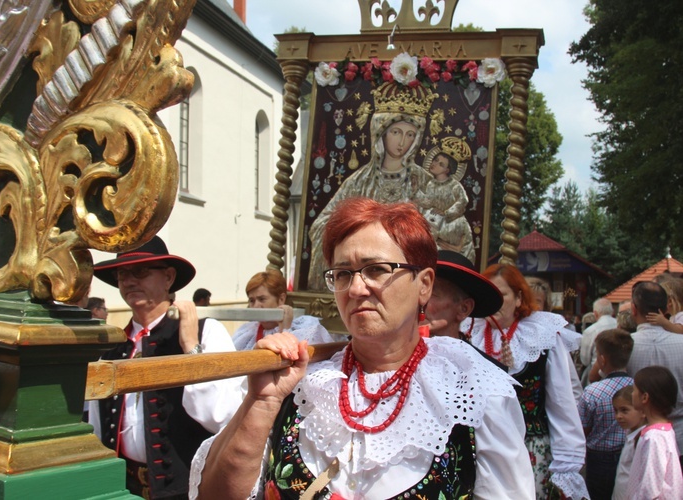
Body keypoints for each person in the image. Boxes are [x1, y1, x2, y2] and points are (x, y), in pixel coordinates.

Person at [191, 198, 535, 499]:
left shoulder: (474, 395)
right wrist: (263, 402)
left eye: (376, 269)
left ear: (424, 285)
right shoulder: (304, 385)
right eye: (342, 274)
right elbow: (215, 495)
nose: (356, 288)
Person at [89, 236, 244, 498]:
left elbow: (221, 416)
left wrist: (191, 347)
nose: (129, 281)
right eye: (122, 274)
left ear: (169, 278)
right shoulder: (111, 346)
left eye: (140, 272)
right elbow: (97, 425)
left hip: (187, 490)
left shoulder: (205, 332)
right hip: (122, 488)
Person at [465, 264, 589, 500]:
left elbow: (562, 403)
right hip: (479, 450)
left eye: (501, 295)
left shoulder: (541, 335)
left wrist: (567, 464)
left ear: (519, 297)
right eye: (488, 295)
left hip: (530, 450)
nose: (493, 303)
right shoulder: (469, 332)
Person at [305, 81, 435, 290]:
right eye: (396, 132)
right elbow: (321, 225)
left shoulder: (425, 181)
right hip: (362, 278)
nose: (403, 142)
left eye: (409, 134)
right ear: (381, 132)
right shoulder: (359, 180)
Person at [625, 281, 683, 462]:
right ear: (666, 308)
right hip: (679, 435)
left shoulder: (623, 345)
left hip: (636, 435)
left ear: (634, 309)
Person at [577, 329, 634, 500]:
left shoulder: (592, 392)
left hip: (599, 459)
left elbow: (583, 429)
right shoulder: (636, 387)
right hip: (629, 453)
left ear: (601, 360)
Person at [231, 269, 338, 351]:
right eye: (252, 301)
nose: (256, 306)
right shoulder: (246, 331)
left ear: (281, 299)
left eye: (262, 299)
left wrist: (285, 328)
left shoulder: (306, 327)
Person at [627, 366, 683, 498]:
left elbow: (650, 488)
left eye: (634, 390)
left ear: (645, 397)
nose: (631, 394)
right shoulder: (665, 430)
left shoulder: (654, 438)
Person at [416, 140, 475, 263]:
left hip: (452, 223)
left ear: (447, 170)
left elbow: (462, 201)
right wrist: (415, 191)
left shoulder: (454, 185)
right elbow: (428, 201)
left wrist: (447, 213)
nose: (435, 164)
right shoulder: (431, 184)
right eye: (436, 160)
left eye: (441, 164)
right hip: (435, 220)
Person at [611, 386, 645, 500]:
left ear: (642, 411)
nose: (618, 416)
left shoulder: (643, 439)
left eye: (624, 410)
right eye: (616, 411)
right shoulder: (630, 434)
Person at [580, 298, 617, 386]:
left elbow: (585, 360)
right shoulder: (619, 325)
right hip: (619, 374)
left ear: (595, 313)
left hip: (597, 378)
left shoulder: (590, 331)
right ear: (612, 312)